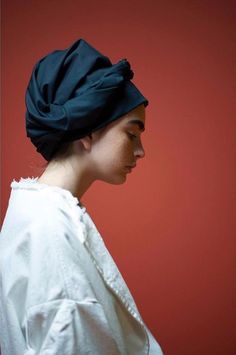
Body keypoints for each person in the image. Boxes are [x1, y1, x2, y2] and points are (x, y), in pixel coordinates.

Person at [0, 38, 163, 354]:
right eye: (131, 134)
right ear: (87, 131)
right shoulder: (51, 233)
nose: (140, 151)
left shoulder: (34, 215)